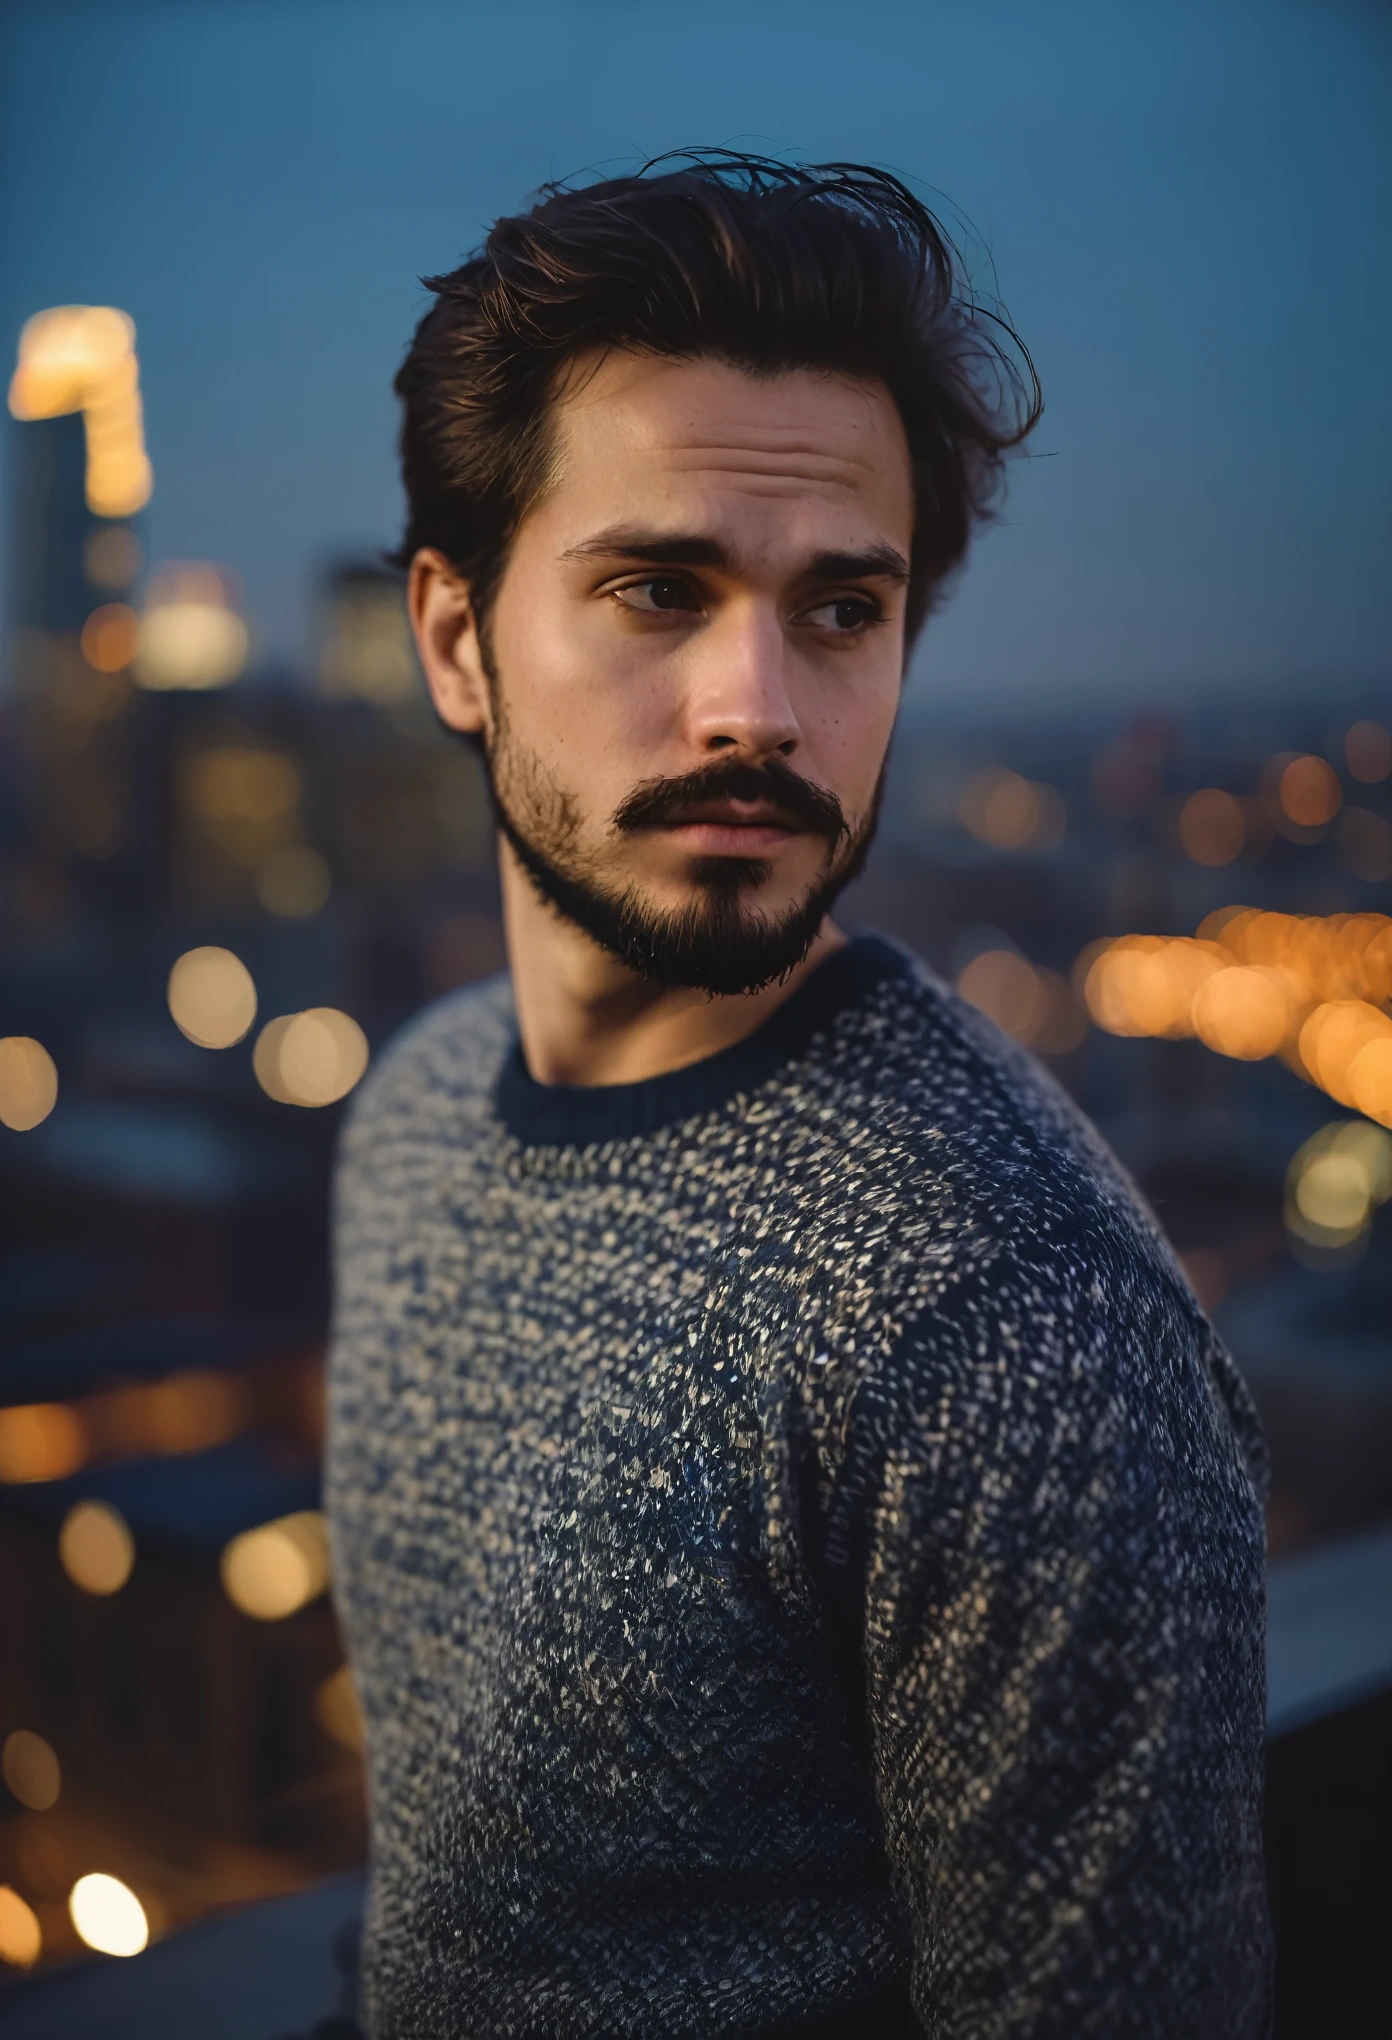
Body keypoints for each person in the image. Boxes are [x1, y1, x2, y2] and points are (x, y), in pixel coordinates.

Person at [326, 152, 1272, 2038]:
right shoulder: (417, 1111)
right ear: (454, 638)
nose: (758, 701)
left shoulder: (1011, 1319)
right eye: (659, 590)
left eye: (843, 609)